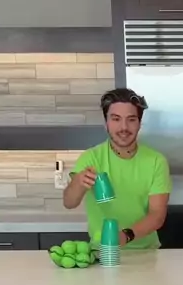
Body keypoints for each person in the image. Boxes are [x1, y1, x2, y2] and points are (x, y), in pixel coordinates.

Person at [63, 88, 171, 249]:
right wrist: (78, 183)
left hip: (146, 252)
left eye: (131, 119)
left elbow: (157, 215)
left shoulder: (156, 161)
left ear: (139, 124)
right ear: (106, 123)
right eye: (116, 119)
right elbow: (69, 203)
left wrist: (126, 236)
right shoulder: (91, 158)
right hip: (102, 251)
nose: (123, 127)